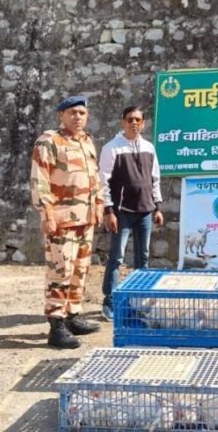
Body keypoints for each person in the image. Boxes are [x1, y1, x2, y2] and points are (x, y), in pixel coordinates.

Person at [30, 95, 104, 349]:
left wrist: (99, 205)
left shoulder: (87, 141)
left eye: (82, 113)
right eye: (72, 112)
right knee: (59, 272)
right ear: (61, 115)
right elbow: (39, 180)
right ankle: (56, 325)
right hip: (62, 220)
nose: (77, 117)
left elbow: (94, 177)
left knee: (79, 270)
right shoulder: (50, 141)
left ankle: (72, 315)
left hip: (85, 218)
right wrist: (46, 214)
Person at [99, 105, 164, 321]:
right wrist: (109, 211)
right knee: (116, 258)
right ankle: (110, 300)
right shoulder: (112, 148)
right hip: (122, 212)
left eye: (138, 120)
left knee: (142, 258)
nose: (133, 123)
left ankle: (139, 299)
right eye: (129, 119)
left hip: (145, 211)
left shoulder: (149, 147)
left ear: (143, 124)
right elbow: (103, 182)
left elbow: (155, 179)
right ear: (123, 122)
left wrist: (158, 207)